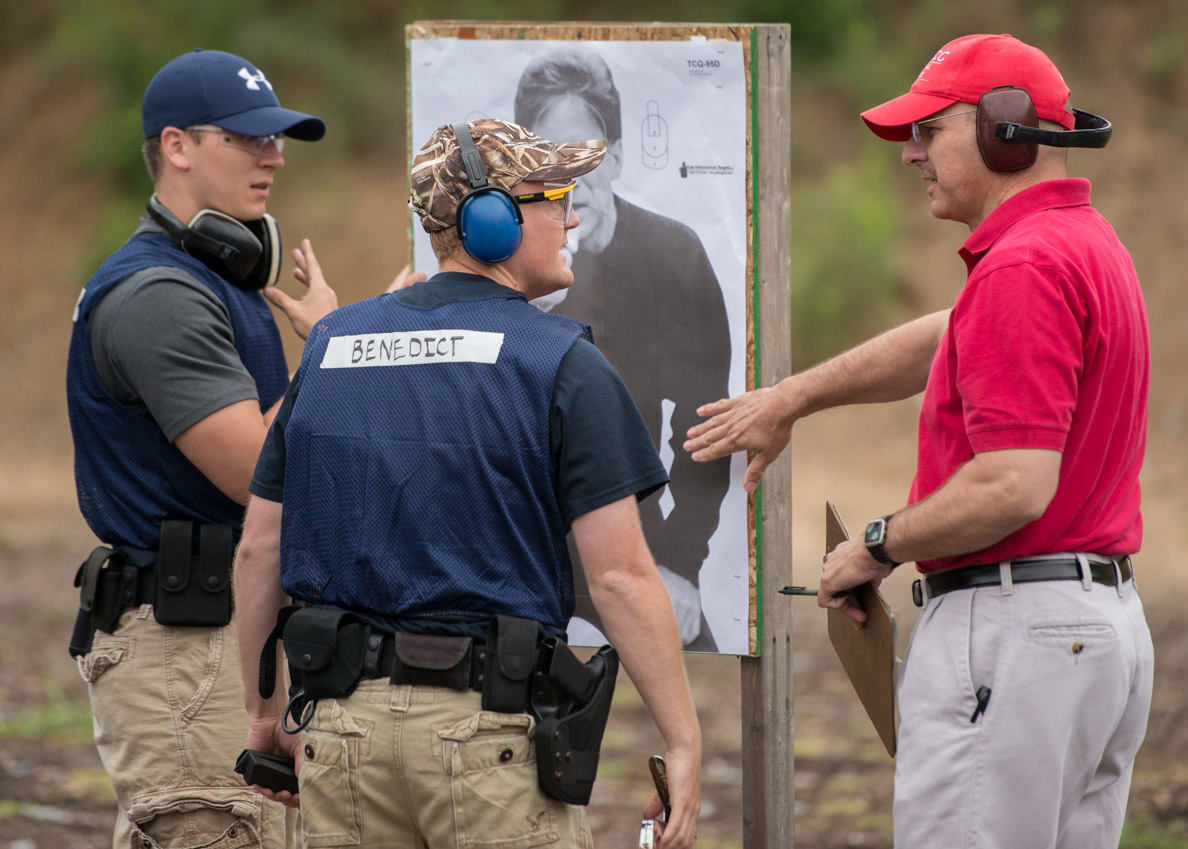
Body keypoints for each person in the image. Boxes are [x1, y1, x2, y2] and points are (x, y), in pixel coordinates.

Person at [684, 33, 1153, 848]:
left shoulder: (1023, 269)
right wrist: (794, 396)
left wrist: (877, 543)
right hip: (1089, 632)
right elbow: (950, 333)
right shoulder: (1079, 246)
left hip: (1015, 634)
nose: (912, 154)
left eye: (930, 131)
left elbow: (1013, 484)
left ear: (1005, 129)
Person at [233, 118, 702, 848]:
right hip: (487, 739)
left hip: (339, 734)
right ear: (493, 220)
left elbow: (259, 549)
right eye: (553, 196)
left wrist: (264, 716)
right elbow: (621, 578)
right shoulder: (560, 361)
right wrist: (683, 739)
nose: (571, 215)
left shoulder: (327, 348)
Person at [66, 47, 344, 849]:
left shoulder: (213, 279)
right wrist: (332, 348)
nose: (275, 156)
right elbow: (255, 469)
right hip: (187, 653)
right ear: (179, 145)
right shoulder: (159, 296)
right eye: (249, 138)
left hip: (218, 637)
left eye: (277, 140)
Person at [514, 47, 731, 650]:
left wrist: (683, 565)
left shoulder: (672, 255)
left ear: (617, 158)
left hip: (631, 530)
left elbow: (704, 426)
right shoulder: (495, 261)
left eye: (587, 153)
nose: (571, 174)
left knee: (692, 656)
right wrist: (521, 316)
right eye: (550, 158)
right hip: (516, 537)